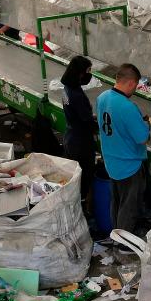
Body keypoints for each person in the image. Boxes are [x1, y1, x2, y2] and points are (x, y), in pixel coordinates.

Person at [96, 63, 149, 233]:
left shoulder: (102, 97)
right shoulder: (128, 107)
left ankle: (116, 235)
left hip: (111, 160)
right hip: (129, 164)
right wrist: (146, 124)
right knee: (129, 206)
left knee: (117, 202)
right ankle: (124, 245)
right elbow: (142, 138)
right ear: (132, 83)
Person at [60, 55, 96, 213]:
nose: (90, 74)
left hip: (71, 138)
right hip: (81, 143)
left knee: (74, 177)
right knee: (84, 178)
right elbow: (87, 121)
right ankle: (81, 212)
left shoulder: (68, 89)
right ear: (80, 73)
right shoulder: (76, 94)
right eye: (88, 71)